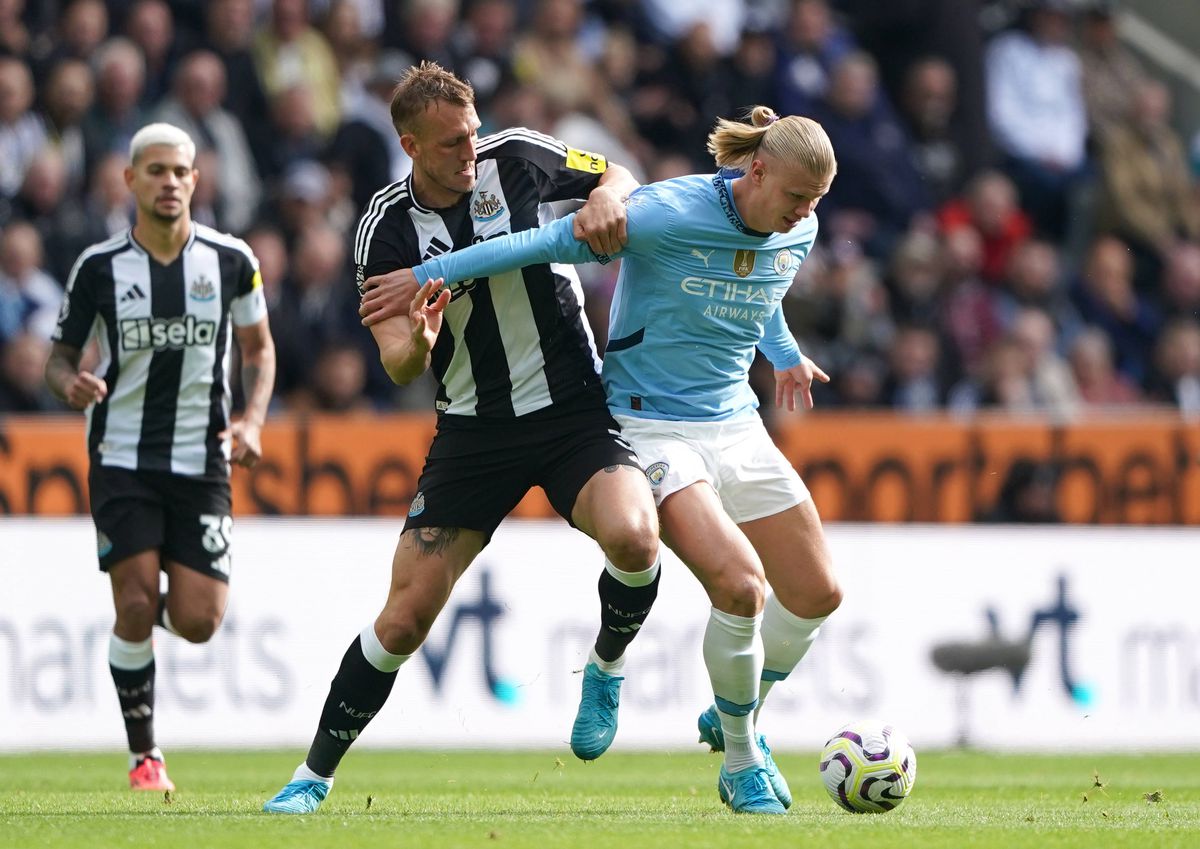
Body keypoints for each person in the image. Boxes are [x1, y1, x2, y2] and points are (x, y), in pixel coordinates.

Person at [361, 106, 844, 815]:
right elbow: (532, 243)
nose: (806, 214)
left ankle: (735, 710)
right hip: (650, 425)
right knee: (742, 587)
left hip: (735, 420)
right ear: (757, 169)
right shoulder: (665, 213)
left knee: (818, 593)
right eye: (798, 197)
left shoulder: (796, 225)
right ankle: (741, 758)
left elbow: (763, 280)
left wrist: (783, 353)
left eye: (816, 203)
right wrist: (422, 275)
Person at [262, 61, 661, 815]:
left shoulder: (515, 155)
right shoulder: (383, 226)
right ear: (410, 145)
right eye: (450, 144)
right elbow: (397, 358)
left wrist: (609, 195)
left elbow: (618, 170)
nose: (468, 151)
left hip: (573, 406)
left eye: (472, 132)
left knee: (637, 538)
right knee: (405, 614)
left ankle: (606, 665)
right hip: (474, 429)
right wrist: (419, 335)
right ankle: (312, 776)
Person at [44, 122, 275, 791]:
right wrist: (71, 383)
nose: (169, 183)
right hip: (122, 454)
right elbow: (59, 359)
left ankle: (136, 620)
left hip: (202, 459)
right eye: (155, 171)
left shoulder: (232, 260)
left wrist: (253, 419)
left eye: (180, 171)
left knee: (201, 620)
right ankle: (145, 755)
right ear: (130, 180)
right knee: (138, 598)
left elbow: (259, 349)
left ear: (196, 180)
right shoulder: (99, 267)